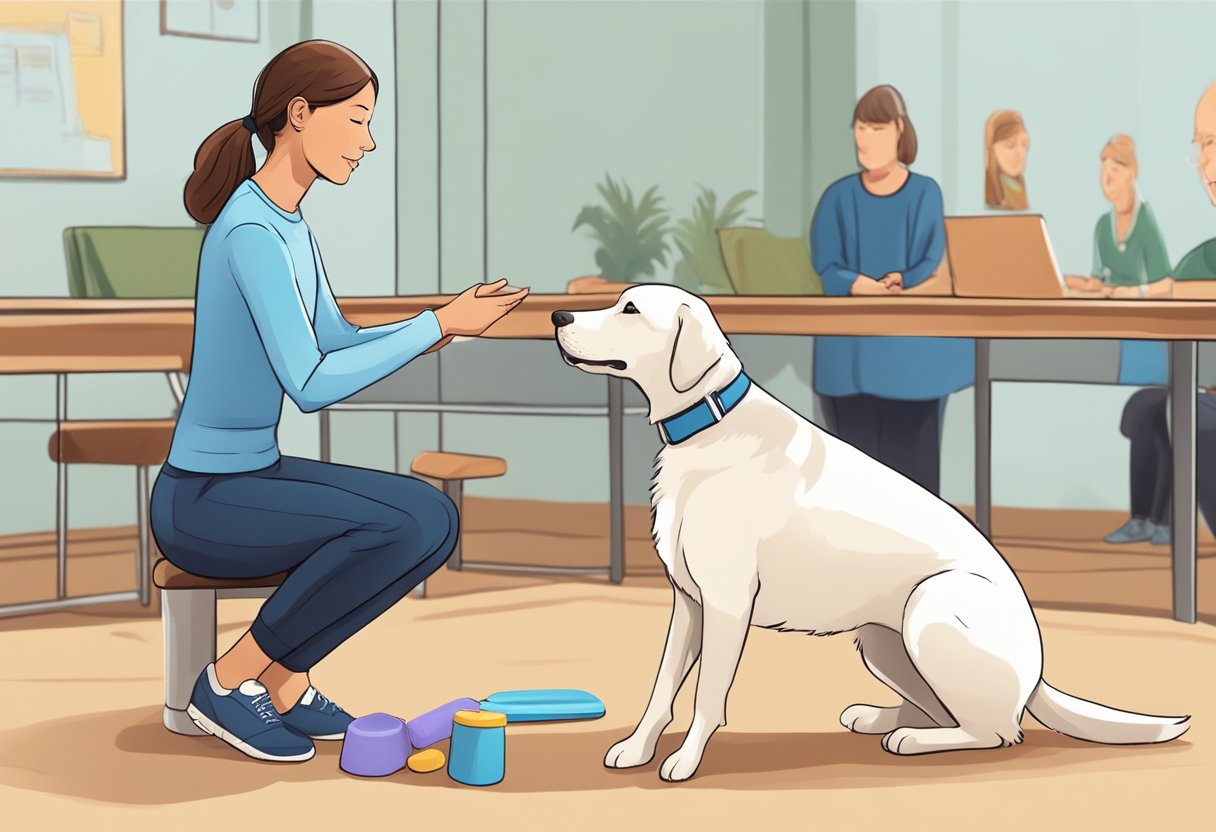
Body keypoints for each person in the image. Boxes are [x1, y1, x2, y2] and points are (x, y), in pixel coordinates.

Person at [149, 40, 528, 763]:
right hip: (203, 498)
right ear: (300, 114)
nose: (369, 140)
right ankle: (228, 683)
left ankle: (284, 680)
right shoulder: (253, 230)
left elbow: (336, 338)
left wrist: (444, 323)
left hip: (252, 476)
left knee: (429, 517)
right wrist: (437, 325)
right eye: (356, 121)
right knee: (404, 524)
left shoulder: (290, 223)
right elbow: (312, 381)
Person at [810, 85, 973, 496]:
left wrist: (901, 280)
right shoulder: (837, 197)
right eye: (860, 127)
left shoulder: (924, 194)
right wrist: (856, 284)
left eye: (876, 127)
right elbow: (828, 267)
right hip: (850, 362)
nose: (864, 138)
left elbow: (927, 263)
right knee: (856, 481)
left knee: (913, 484)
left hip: (912, 360)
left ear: (899, 130)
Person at [1104, 84, 1216, 544]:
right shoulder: (1202, 257)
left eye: (1211, 143)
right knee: (1150, 406)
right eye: (1199, 147)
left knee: (1186, 408)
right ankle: (1153, 521)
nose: (1203, 164)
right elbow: (1175, 288)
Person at [1064, 135, 1173, 386]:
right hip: (1109, 325)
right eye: (1103, 169)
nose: (1107, 177)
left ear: (1132, 173)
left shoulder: (1145, 221)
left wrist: (1133, 292)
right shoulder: (1103, 226)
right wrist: (1075, 284)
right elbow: (1100, 280)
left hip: (1144, 332)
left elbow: (1166, 284)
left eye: (1115, 169)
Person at [984, 110, 1030, 210]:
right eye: (1010, 145)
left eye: (1024, 145)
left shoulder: (1018, 187)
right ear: (991, 150)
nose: (1020, 154)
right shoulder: (990, 193)